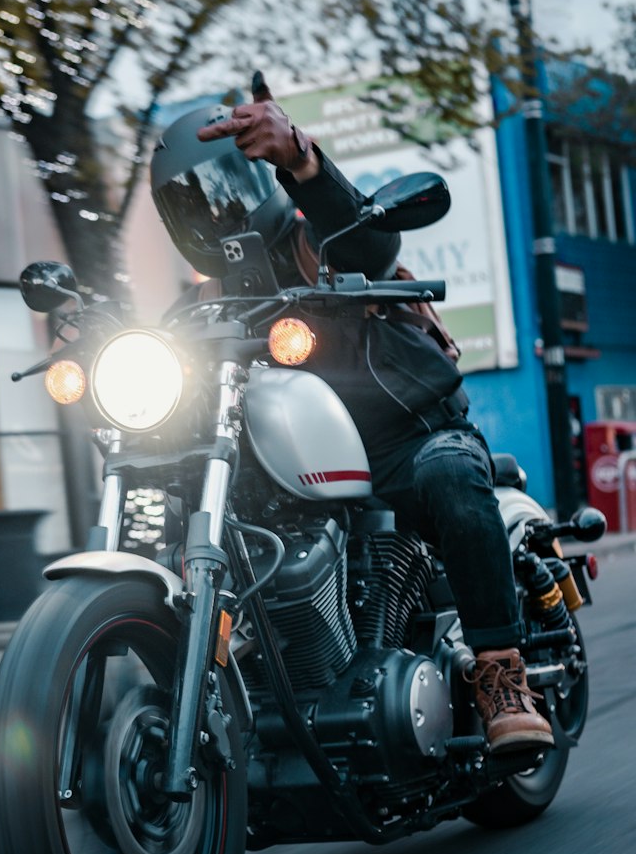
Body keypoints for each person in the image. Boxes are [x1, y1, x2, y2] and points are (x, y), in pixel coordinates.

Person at [150, 74, 553, 753]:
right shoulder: (200, 307)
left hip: (403, 436)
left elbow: (372, 248)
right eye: (189, 204)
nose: (211, 213)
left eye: (218, 189)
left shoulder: (323, 239)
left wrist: (300, 158)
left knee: (454, 478)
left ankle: (500, 676)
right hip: (280, 475)